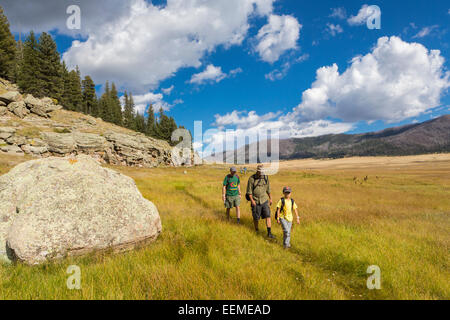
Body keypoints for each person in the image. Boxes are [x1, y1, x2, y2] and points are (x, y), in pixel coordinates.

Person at [246, 165, 275, 238]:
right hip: (255, 200)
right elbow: (249, 192)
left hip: (264, 200)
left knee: (268, 216)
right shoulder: (252, 179)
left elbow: (268, 189)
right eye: (260, 171)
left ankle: (269, 233)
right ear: (257, 171)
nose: (261, 173)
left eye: (262, 171)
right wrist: (252, 201)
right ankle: (256, 231)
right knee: (256, 217)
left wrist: (270, 198)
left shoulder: (265, 177)